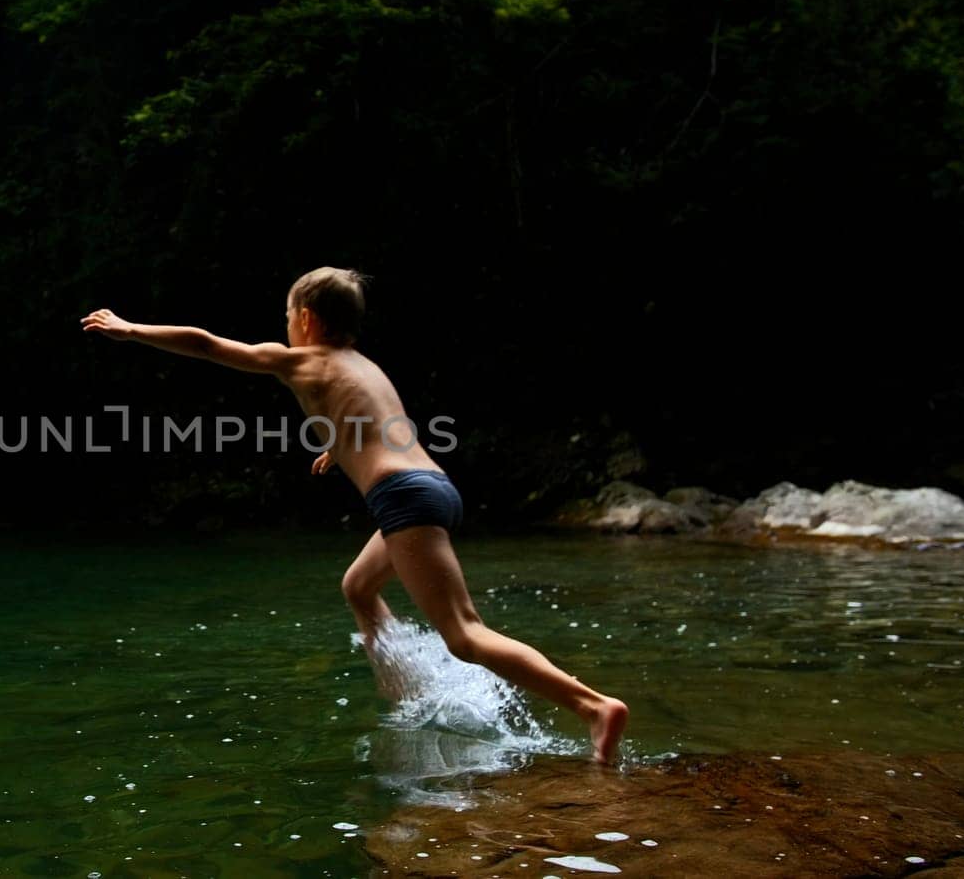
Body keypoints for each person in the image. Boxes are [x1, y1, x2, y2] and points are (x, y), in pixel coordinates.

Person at [80, 266, 629, 764]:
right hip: (432, 486)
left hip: (404, 497)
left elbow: (207, 345)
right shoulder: (362, 366)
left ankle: (593, 706)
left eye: (287, 318)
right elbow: (371, 420)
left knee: (464, 634)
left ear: (306, 319)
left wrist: (132, 330)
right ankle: (412, 691)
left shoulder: (303, 360)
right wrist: (337, 447)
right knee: (359, 588)